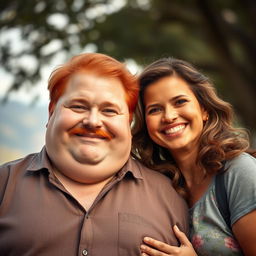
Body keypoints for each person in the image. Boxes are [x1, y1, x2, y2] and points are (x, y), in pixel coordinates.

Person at [0, 53, 189, 255]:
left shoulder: (171, 196)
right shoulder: (4, 184)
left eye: (109, 111)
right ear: (51, 111)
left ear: (129, 122)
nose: (92, 121)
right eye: (78, 106)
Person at [131, 57, 256, 255]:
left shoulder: (240, 172)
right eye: (155, 109)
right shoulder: (160, 184)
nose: (169, 116)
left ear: (204, 109)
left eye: (180, 102)